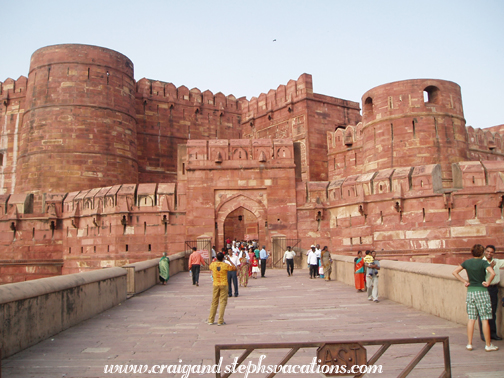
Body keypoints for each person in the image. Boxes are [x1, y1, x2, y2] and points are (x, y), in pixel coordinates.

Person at [453, 244, 498, 352]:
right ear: (482, 253)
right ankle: (488, 345)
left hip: (471, 292)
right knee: (485, 319)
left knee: (471, 319)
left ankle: (469, 343)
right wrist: (487, 282)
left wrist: (465, 281)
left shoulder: (467, 262)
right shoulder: (483, 263)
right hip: (482, 292)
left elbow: (454, 272)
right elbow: (493, 273)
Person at [478, 245, 504, 341]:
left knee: (493, 311)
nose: (489, 253)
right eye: (488, 251)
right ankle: (484, 335)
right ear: (485, 251)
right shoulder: (481, 262)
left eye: (491, 252)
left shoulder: (496, 261)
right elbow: (480, 274)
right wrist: (489, 268)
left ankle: (493, 333)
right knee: (484, 312)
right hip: (484, 288)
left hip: (494, 288)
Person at [208, 252, 236, 325]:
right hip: (224, 284)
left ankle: (211, 319)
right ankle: (220, 320)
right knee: (223, 302)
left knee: (214, 302)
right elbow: (234, 268)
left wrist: (215, 259)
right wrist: (229, 260)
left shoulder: (213, 264)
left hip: (216, 284)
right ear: (223, 258)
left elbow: (209, 266)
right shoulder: (225, 265)